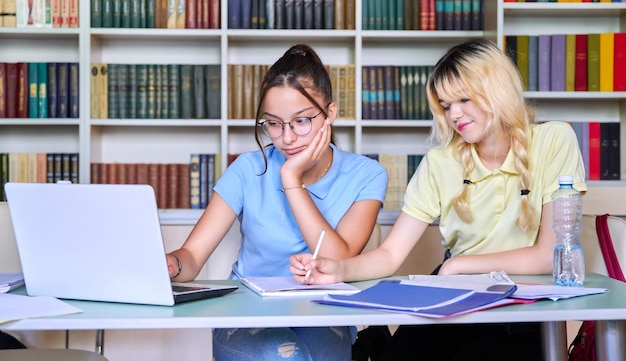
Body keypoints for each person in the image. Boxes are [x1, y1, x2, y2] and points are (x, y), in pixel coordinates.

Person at [290, 38, 587, 361]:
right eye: (446, 105)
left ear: (497, 90)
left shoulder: (554, 140)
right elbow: (390, 254)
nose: (454, 114)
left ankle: (377, 344)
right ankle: (377, 344)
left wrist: (460, 265)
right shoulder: (440, 161)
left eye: (463, 99)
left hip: (517, 313)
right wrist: (338, 269)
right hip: (451, 298)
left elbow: (549, 256)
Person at [166, 43, 388, 361]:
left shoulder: (366, 174)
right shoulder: (246, 169)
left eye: (301, 121)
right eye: (273, 123)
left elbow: (339, 260)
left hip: (324, 312)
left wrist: (291, 180)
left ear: (331, 114)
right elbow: (192, 257)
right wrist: (172, 264)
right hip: (246, 313)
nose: (286, 138)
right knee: (285, 354)